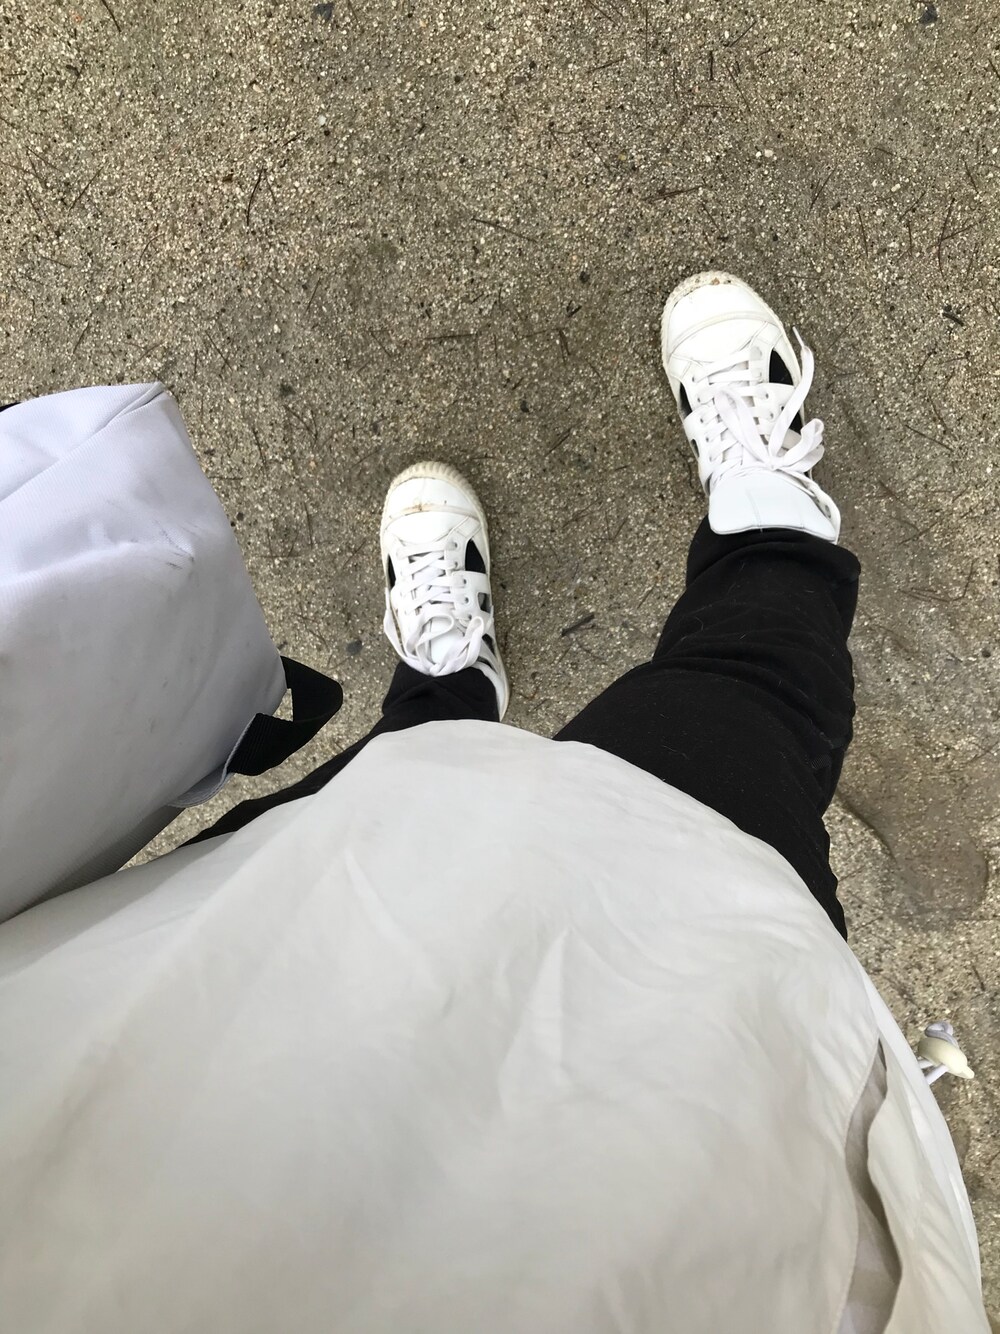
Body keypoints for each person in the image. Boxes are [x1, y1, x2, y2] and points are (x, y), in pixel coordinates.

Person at [0, 273, 988, 1333]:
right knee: (738, 720)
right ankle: (774, 521)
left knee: (352, 826)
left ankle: (446, 691)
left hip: (123, 1064)